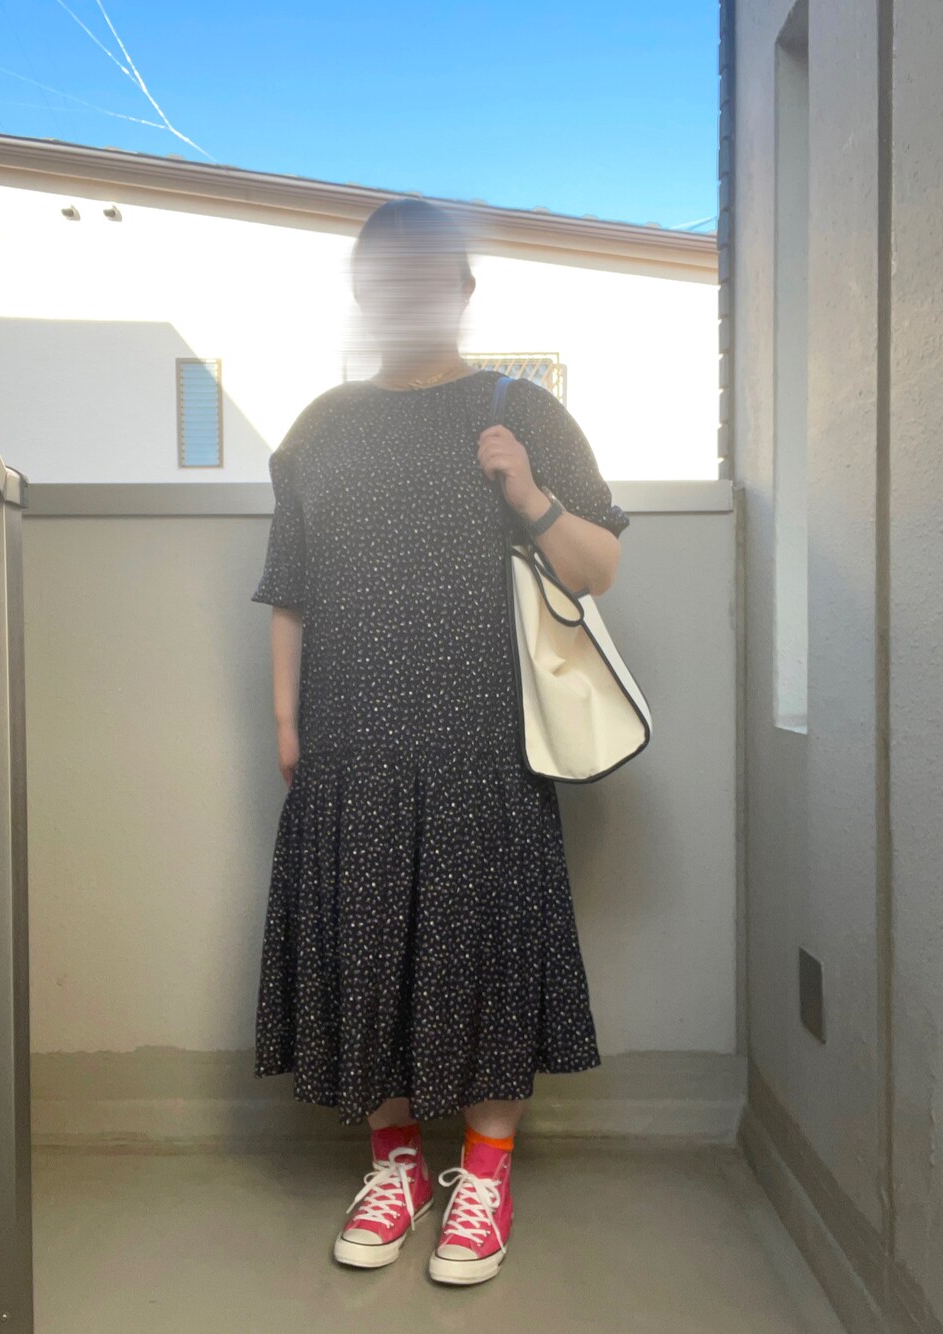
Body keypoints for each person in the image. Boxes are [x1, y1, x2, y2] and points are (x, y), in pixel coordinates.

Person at [250, 197, 630, 1285]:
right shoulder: (319, 426)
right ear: (361, 293)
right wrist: (287, 719)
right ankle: (397, 1167)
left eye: (427, 277)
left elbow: (598, 568)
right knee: (367, 943)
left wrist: (527, 491)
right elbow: (291, 590)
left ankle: (487, 1175)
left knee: (491, 947)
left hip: (485, 740)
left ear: (462, 291)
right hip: (349, 736)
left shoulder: (520, 407)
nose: (406, 297)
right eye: (385, 279)